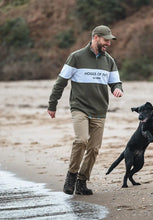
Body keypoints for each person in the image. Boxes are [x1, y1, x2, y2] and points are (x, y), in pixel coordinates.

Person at [47, 25, 123, 195]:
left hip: (100, 110)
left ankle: (82, 181)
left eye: (110, 40)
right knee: (81, 140)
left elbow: (115, 82)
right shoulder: (76, 57)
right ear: (95, 38)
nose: (108, 43)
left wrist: (117, 88)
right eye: (105, 40)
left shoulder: (108, 61)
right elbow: (61, 82)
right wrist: (53, 104)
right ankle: (71, 176)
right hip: (79, 107)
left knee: (94, 149)